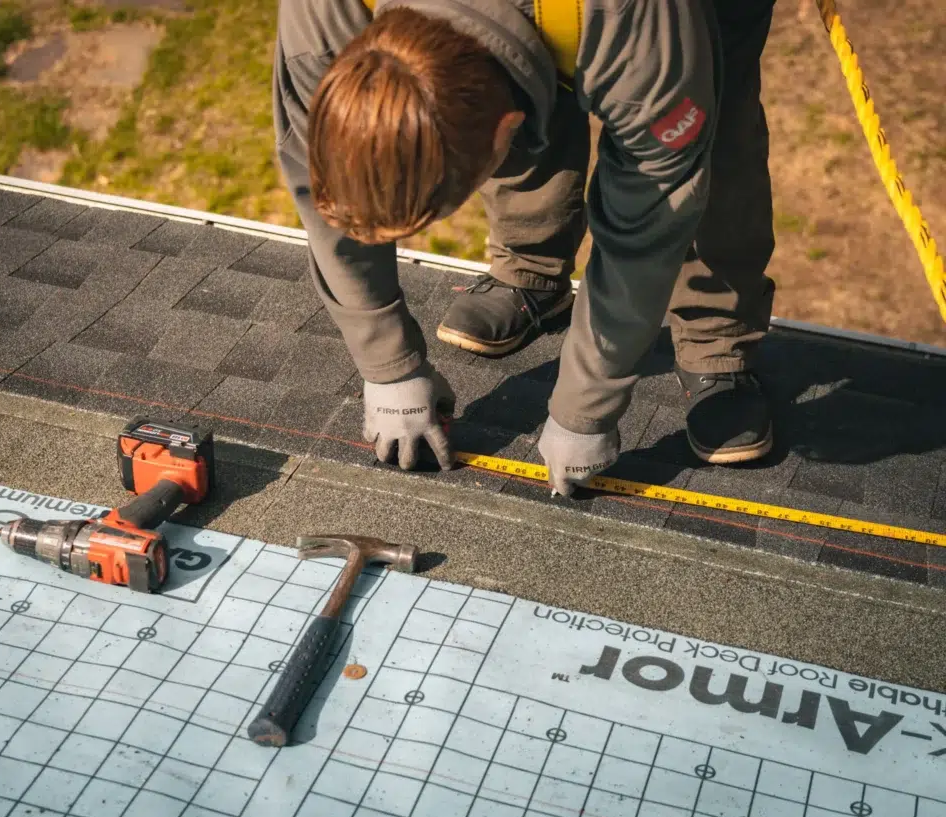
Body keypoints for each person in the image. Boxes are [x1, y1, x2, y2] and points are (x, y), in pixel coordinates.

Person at [273, 0, 777, 496]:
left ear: (509, 129)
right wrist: (386, 364)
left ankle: (717, 336)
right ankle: (531, 267)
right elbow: (318, 173)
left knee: (718, 137)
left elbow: (648, 224)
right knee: (494, 79)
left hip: (666, 23)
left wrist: (585, 410)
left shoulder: (640, 35)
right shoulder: (321, 19)